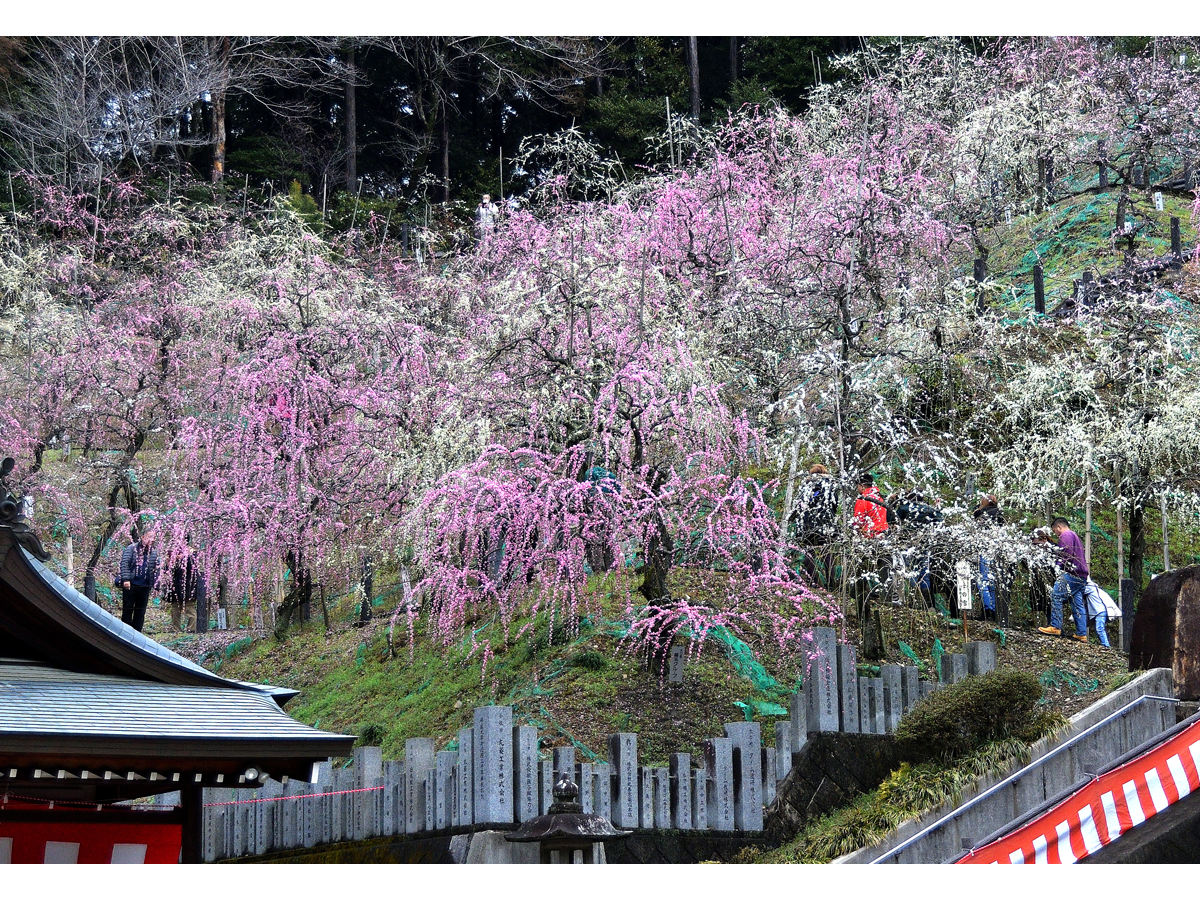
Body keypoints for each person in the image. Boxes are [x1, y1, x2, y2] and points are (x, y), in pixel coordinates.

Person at [1038, 517, 1090, 642]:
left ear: (1059, 527)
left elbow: (1065, 553)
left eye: (1055, 530)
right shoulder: (1074, 536)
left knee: (1056, 595)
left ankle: (1055, 626)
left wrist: (1058, 567)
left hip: (1071, 573)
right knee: (1076, 603)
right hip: (1082, 575)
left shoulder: (1065, 535)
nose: (1056, 533)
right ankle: (1081, 633)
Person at [792, 464, 839, 587]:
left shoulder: (807, 486)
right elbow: (834, 505)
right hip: (826, 525)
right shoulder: (830, 487)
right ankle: (831, 582)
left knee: (809, 552)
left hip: (808, 525)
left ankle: (814, 581)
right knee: (827, 553)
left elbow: (800, 505)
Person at [119, 527, 159, 633]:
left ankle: (137, 634)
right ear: (142, 537)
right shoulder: (132, 548)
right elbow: (125, 564)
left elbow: (157, 570)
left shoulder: (153, 553)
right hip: (131, 585)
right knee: (128, 609)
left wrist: (156, 586)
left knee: (140, 612)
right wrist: (126, 579)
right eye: (150, 537)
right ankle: (125, 633)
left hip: (145, 586)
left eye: (154, 537)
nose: (152, 539)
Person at [974, 495, 1004, 619]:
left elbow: (975, 516)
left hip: (985, 547)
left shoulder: (981, 512)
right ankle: (993, 608)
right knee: (991, 580)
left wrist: (980, 507)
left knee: (982, 579)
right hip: (995, 549)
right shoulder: (1000, 514)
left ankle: (988, 609)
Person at [169, 541, 207, 633]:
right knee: (175, 608)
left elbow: (192, 566)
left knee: (190, 608)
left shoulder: (192, 554)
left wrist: (183, 557)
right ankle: (176, 629)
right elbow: (169, 569)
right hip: (175, 586)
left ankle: (191, 629)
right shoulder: (172, 553)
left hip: (189, 585)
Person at [852, 473, 889, 537]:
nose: (857, 489)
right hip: (883, 534)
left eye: (858, 486)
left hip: (870, 535)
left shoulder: (863, 499)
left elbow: (858, 521)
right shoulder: (879, 498)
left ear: (862, 485)